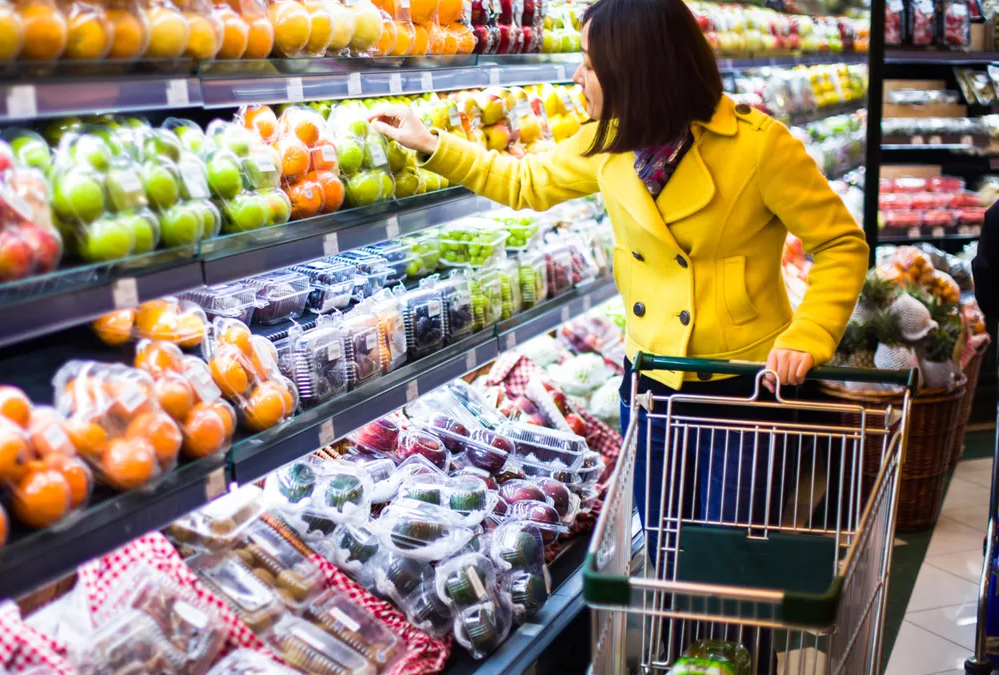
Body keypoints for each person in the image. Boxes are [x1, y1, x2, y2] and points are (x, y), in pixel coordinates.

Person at [370, 0, 868, 667]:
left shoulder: (759, 147)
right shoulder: (611, 142)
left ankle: (731, 661)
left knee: (727, 560)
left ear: (637, 69)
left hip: (745, 391)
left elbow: (841, 243)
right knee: (664, 551)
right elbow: (526, 180)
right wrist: (432, 142)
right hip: (654, 386)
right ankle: (680, 660)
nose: (579, 76)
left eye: (590, 63)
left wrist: (807, 334)